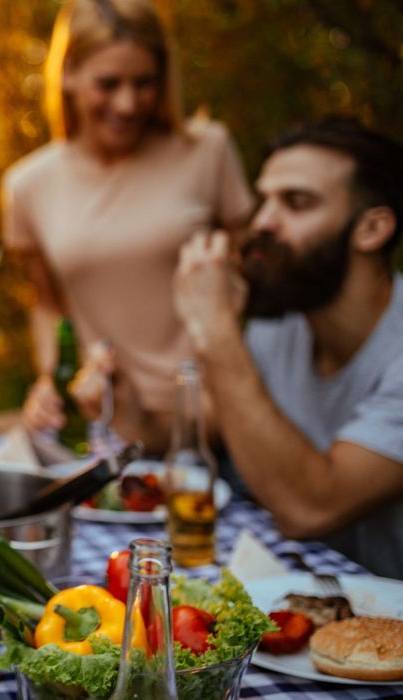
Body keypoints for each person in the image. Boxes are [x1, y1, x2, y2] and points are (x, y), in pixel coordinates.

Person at [2, 0, 255, 455]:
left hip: (214, 420)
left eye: (144, 83)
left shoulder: (207, 150)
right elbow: (47, 304)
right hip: (106, 428)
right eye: (108, 84)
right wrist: (50, 380)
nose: (128, 103)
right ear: (68, 75)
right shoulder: (28, 185)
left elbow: (252, 278)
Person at [173, 117, 403, 578]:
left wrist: (217, 330)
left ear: (372, 228)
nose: (261, 223)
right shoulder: (280, 327)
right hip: (314, 597)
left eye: (296, 203)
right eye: (264, 201)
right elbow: (198, 426)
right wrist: (116, 394)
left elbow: (309, 508)